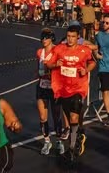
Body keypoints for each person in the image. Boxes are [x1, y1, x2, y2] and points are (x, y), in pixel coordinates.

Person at [45, 23, 95, 162]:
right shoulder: (59, 49)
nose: (70, 39)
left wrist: (86, 70)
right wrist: (56, 65)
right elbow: (47, 64)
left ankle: (72, 148)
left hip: (78, 88)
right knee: (71, 117)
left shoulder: (84, 50)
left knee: (73, 117)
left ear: (78, 37)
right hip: (62, 89)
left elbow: (92, 62)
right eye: (68, 36)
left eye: (73, 37)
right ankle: (79, 134)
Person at [35, 28, 61, 156]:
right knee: (42, 116)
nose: (44, 40)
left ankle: (59, 140)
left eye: (46, 38)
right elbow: (38, 68)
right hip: (42, 86)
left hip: (54, 87)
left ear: (52, 39)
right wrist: (40, 74)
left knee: (56, 116)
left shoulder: (57, 50)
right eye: (42, 38)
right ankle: (46, 141)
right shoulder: (39, 52)